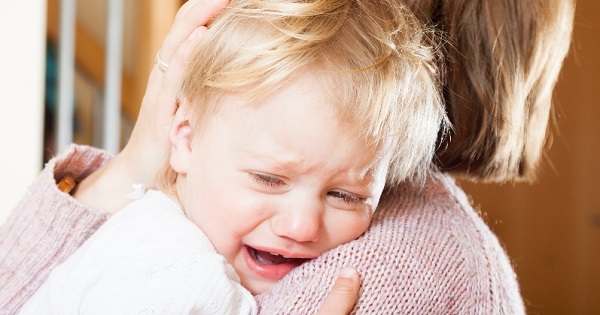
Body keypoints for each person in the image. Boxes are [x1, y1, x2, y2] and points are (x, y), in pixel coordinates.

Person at [0, 0, 574, 313]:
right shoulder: (172, 266)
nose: (301, 224)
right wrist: (136, 162)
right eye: (268, 178)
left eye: (346, 195)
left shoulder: (404, 267)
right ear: (186, 135)